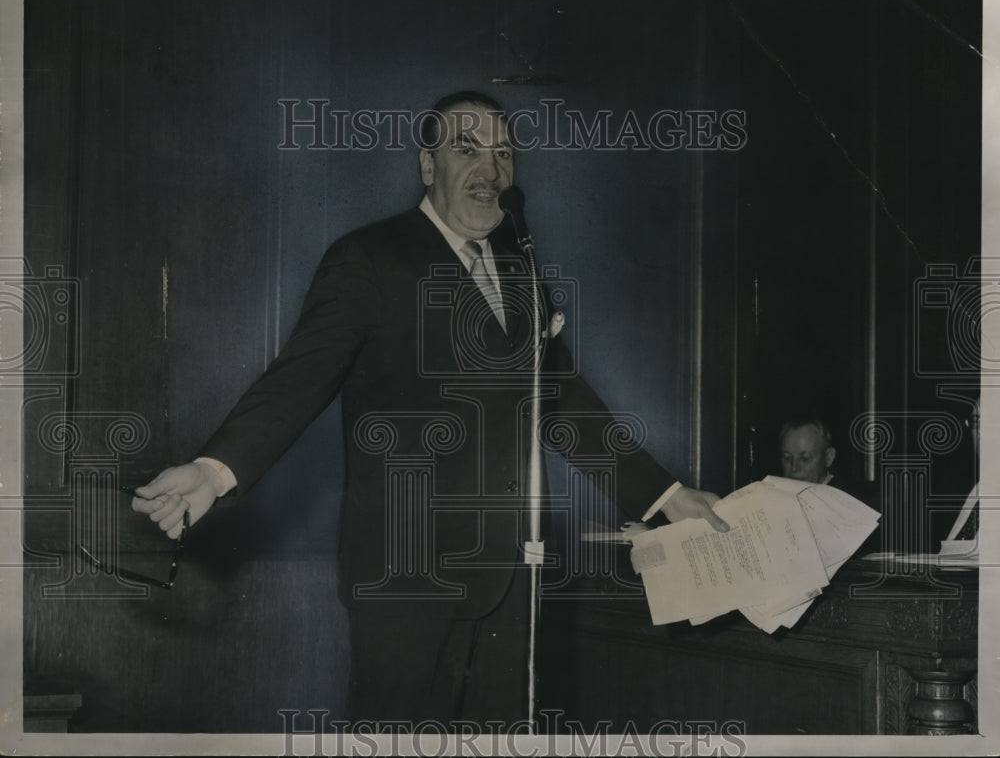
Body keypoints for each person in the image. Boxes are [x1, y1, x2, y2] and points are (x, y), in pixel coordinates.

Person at [132, 90, 728, 727]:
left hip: (512, 578)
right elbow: (300, 379)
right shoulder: (370, 259)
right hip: (407, 579)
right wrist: (216, 467)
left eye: (503, 153)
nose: (490, 170)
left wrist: (665, 496)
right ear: (427, 166)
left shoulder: (521, 270)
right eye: (466, 149)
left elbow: (561, 403)